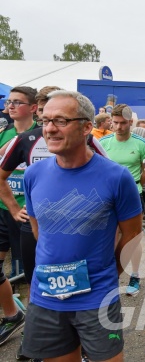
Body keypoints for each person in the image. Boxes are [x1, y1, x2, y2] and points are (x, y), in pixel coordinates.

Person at [20, 90, 142, 361]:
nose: (49, 129)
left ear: (87, 127)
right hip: (47, 296)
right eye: (46, 120)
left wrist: (110, 272)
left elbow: (133, 234)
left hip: (97, 297)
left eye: (61, 121)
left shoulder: (117, 177)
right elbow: (40, 230)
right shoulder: (33, 174)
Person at [99, 104, 145, 296]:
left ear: (131, 122)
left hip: (132, 195)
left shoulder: (141, 143)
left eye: (123, 123)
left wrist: (137, 183)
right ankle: (111, 278)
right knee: (109, 236)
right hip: (107, 196)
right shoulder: (103, 142)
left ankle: (135, 275)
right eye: (115, 123)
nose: (119, 127)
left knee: (133, 238)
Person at [0, 86, 38, 348]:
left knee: (31, 275)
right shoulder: (4, 134)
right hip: (5, 209)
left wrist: (19, 210)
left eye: (17, 102)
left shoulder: (42, 135)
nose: (11, 106)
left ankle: (34, 333)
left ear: (34, 107)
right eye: (8, 101)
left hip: (29, 215)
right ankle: (13, 315)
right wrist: (11, 206)